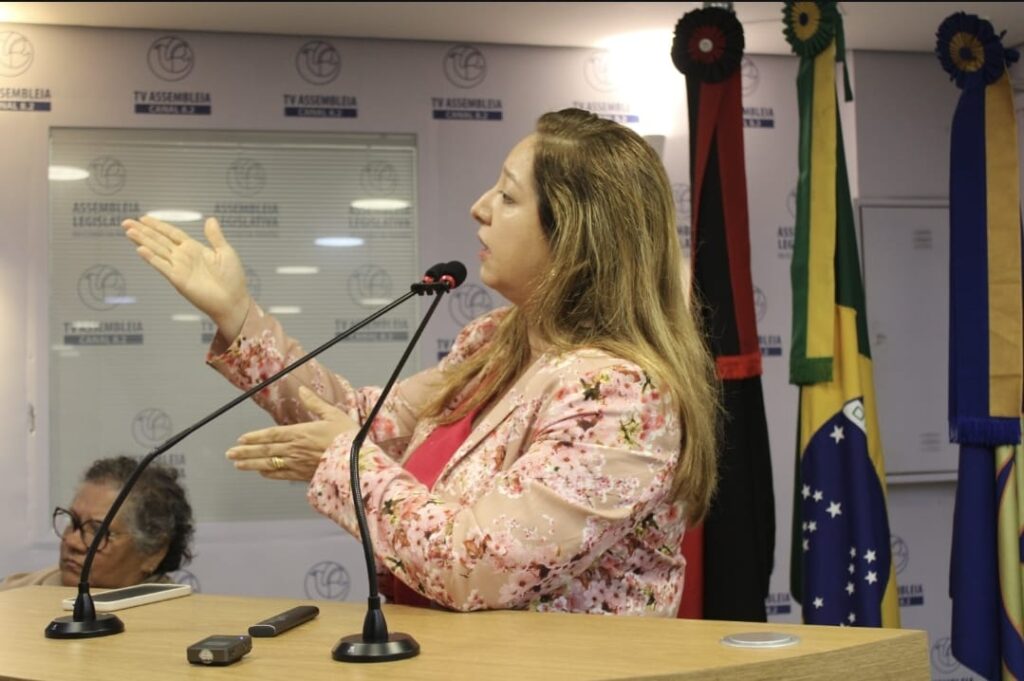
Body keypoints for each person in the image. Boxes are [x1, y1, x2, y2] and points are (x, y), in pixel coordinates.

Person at [121, 107, 720, 616]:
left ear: (574, 239)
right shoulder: (496, 341)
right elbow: (363, 421)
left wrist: (344, 466)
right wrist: (238, 314)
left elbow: (477, 567)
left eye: (509, 196)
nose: (479, 207)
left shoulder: (618, 395)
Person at [0, 456, 195, 590]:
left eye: (97, 531)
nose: (72, 542)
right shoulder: (15, 595)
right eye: (73, 522)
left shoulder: (177, 625)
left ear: (153, 553)